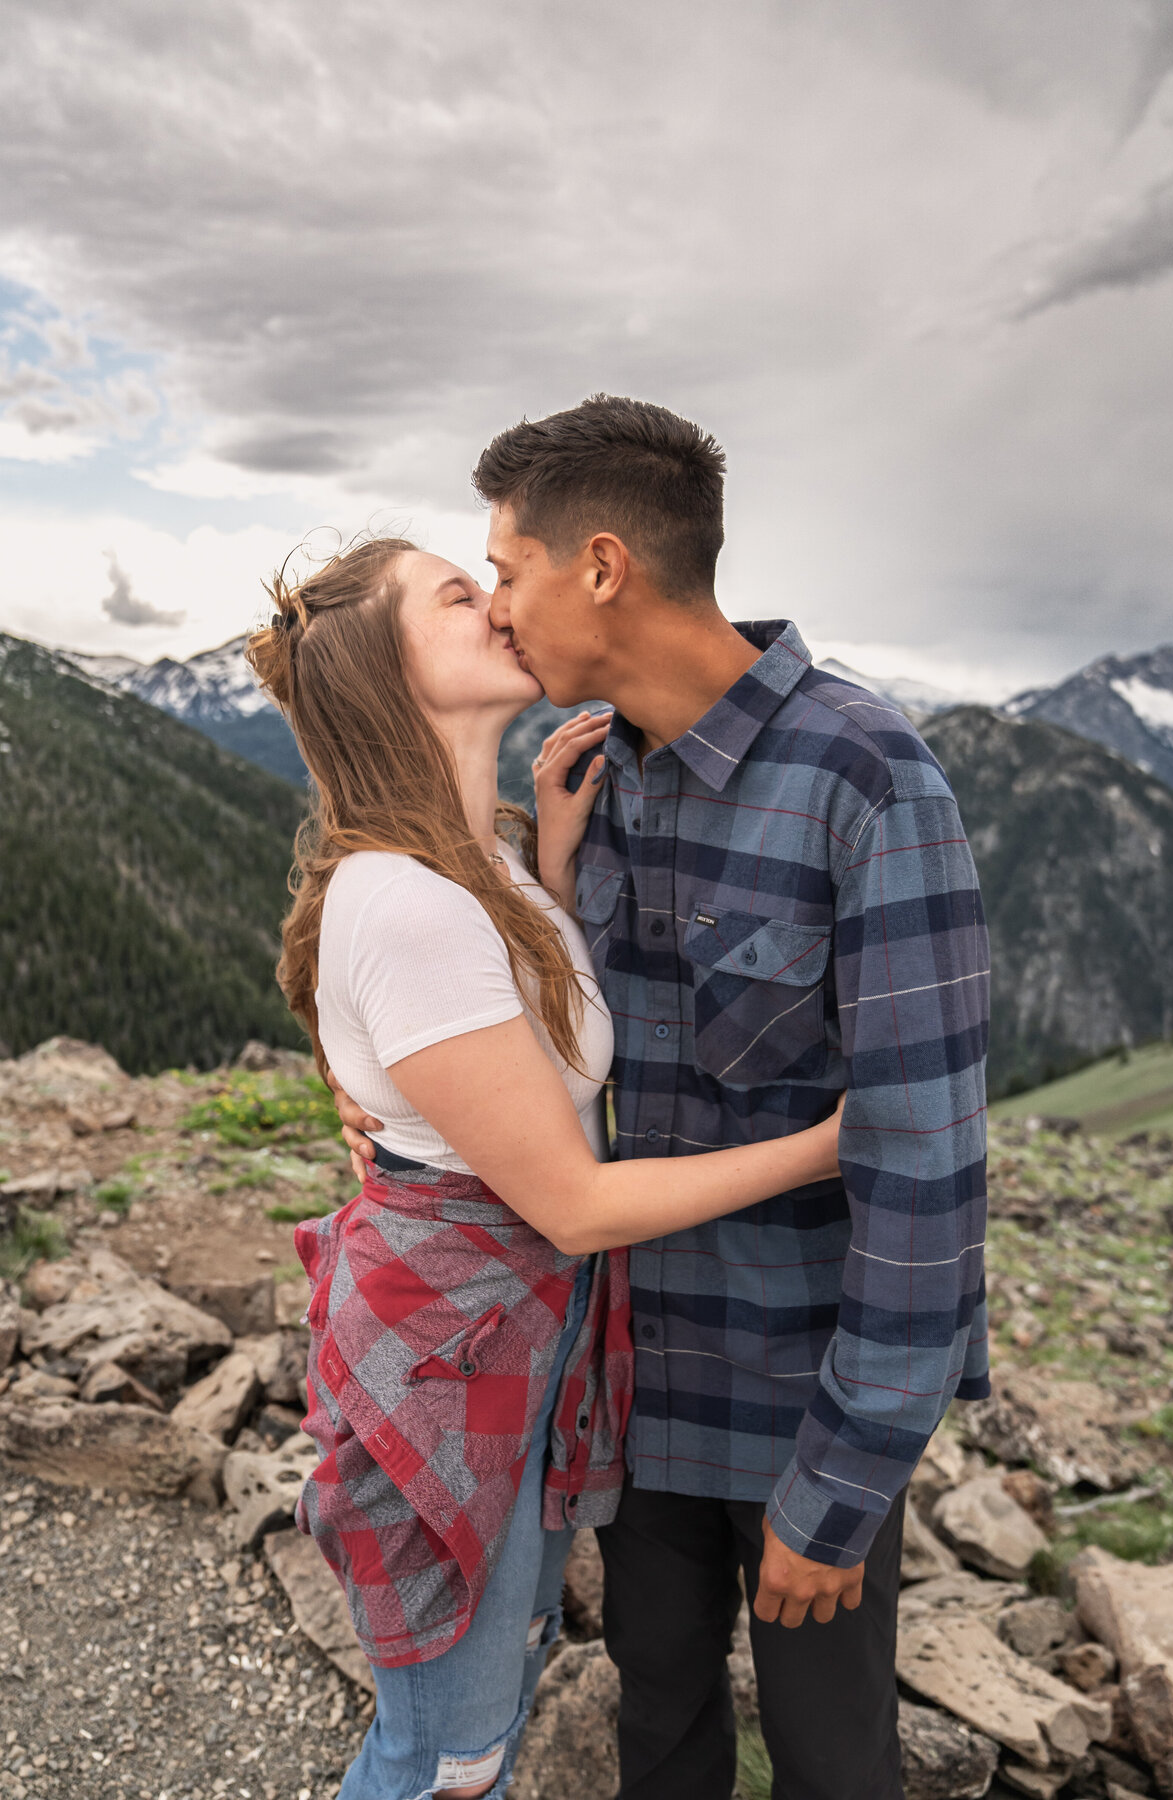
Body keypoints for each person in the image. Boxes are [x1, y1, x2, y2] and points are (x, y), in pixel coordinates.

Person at [338, 397, 991, 1800]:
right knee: (662, 1738)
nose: (499, 606)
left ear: (603, 568)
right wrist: (402, 1121)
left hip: (802, 1402)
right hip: (635, 1393)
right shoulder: (596, 776)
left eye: (505, 570)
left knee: (831, 1759)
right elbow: (478, 998)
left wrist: (846, 1480)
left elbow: (928, 1184)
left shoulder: (867, 781)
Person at [245, 534, 848, 1800]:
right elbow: (571, 1203)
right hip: (463, 1343)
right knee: (446, 1752)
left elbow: (522, 1056)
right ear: (383, 671)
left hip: (513, 1339)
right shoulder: (408, 901)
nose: (500, 604)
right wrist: (827, 1144)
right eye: (461, 596)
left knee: (499, 1696)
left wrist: (558, 867)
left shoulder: (492, 866)